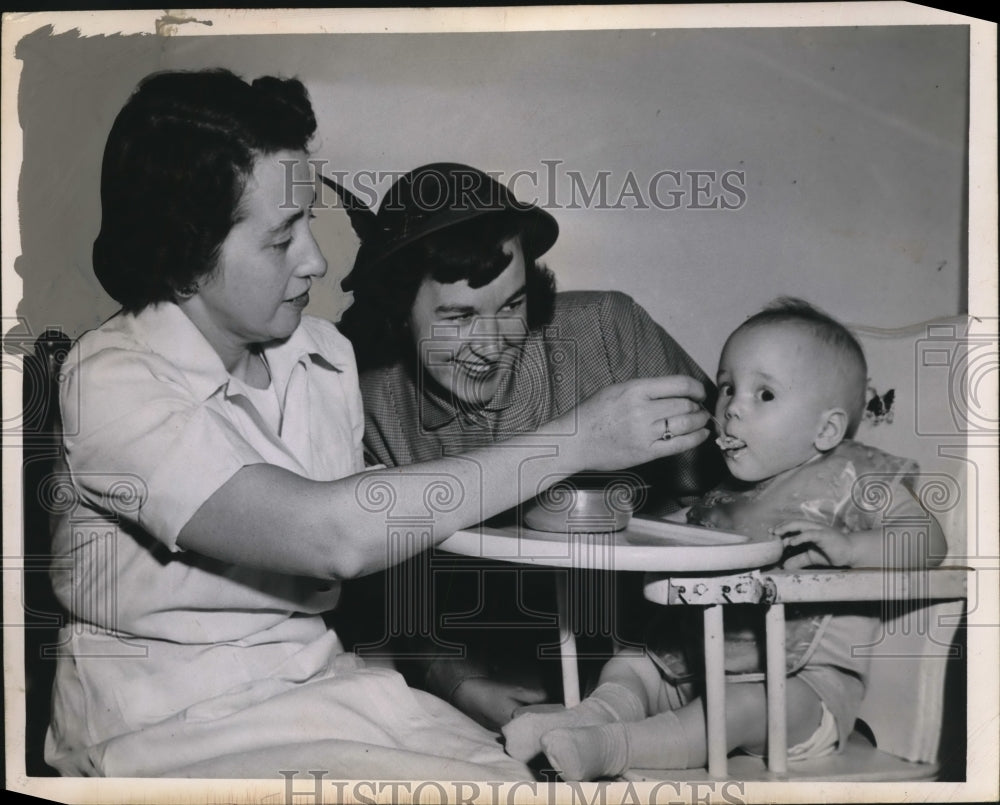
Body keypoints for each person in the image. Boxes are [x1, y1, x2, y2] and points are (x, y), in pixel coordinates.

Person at [42, 70, 713, 779]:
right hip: (163, 722)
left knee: (530, 782)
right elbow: (331, 535)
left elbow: (386, 551)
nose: (317, 259)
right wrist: (579, 439)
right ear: (186, 254)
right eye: (281, 239)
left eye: (310, 222)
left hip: (328, 689)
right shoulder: (110, 377)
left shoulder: (324, 358)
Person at [334, 163, 723, 730]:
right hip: (493, 684)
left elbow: (739, 486)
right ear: (399, 313)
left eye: (511, 306)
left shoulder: (610, 332)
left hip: (662, 678)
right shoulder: (368, 406)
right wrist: (456, 681)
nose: (492, 345)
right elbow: (381, 591)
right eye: (460, 317)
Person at [500, 297, 947, 780]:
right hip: (695, 668)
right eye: (728, 386)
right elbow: (677, 538)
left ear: (827, 428)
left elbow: (928, 540)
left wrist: (851, 549)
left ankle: (612, 746)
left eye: (765, 395)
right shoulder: (723, 494)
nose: (732, 406)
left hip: (801, 693)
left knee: (737, 705)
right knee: (631, 664)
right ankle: (590, 718)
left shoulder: (855, 477)